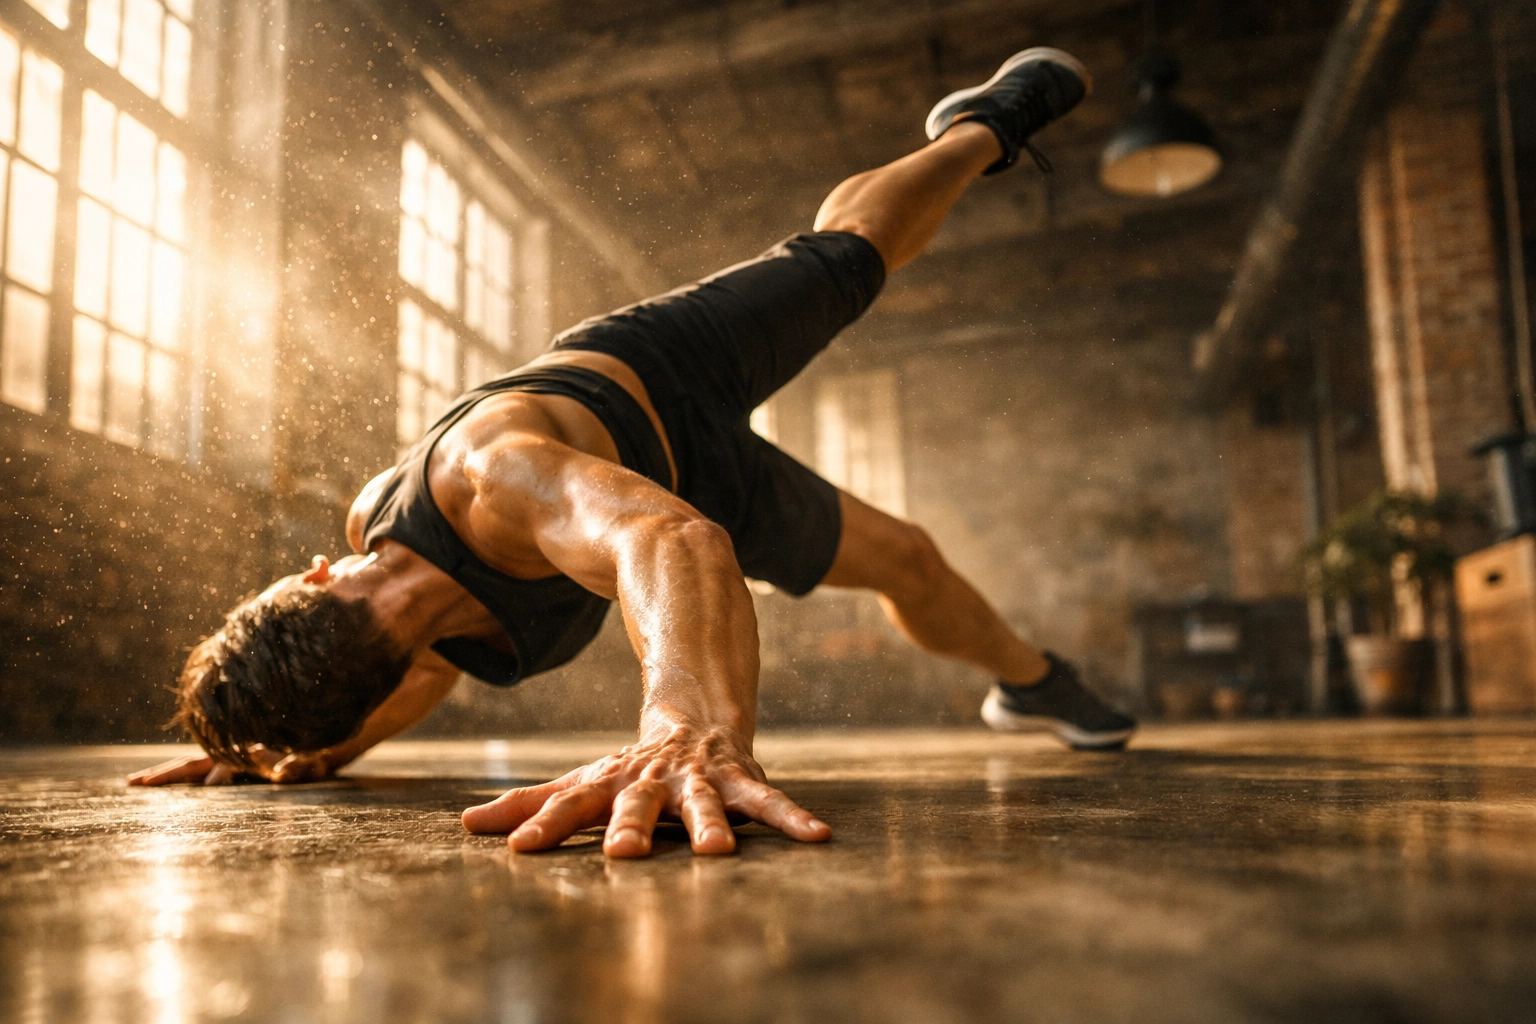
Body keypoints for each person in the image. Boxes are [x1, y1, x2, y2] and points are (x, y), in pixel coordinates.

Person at [130, 47, 1136, 858]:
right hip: (703, 486)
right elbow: (428, 670)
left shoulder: (487, 479)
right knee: (906, 558)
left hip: (660, 374)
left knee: (846, 258)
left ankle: (982, 126)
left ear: (326, 572)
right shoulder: (412, 643)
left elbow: (672, 540)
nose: (394, 609)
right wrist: (294, 745)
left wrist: (685, 725)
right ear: (313, 580)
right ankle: (1033, 680)